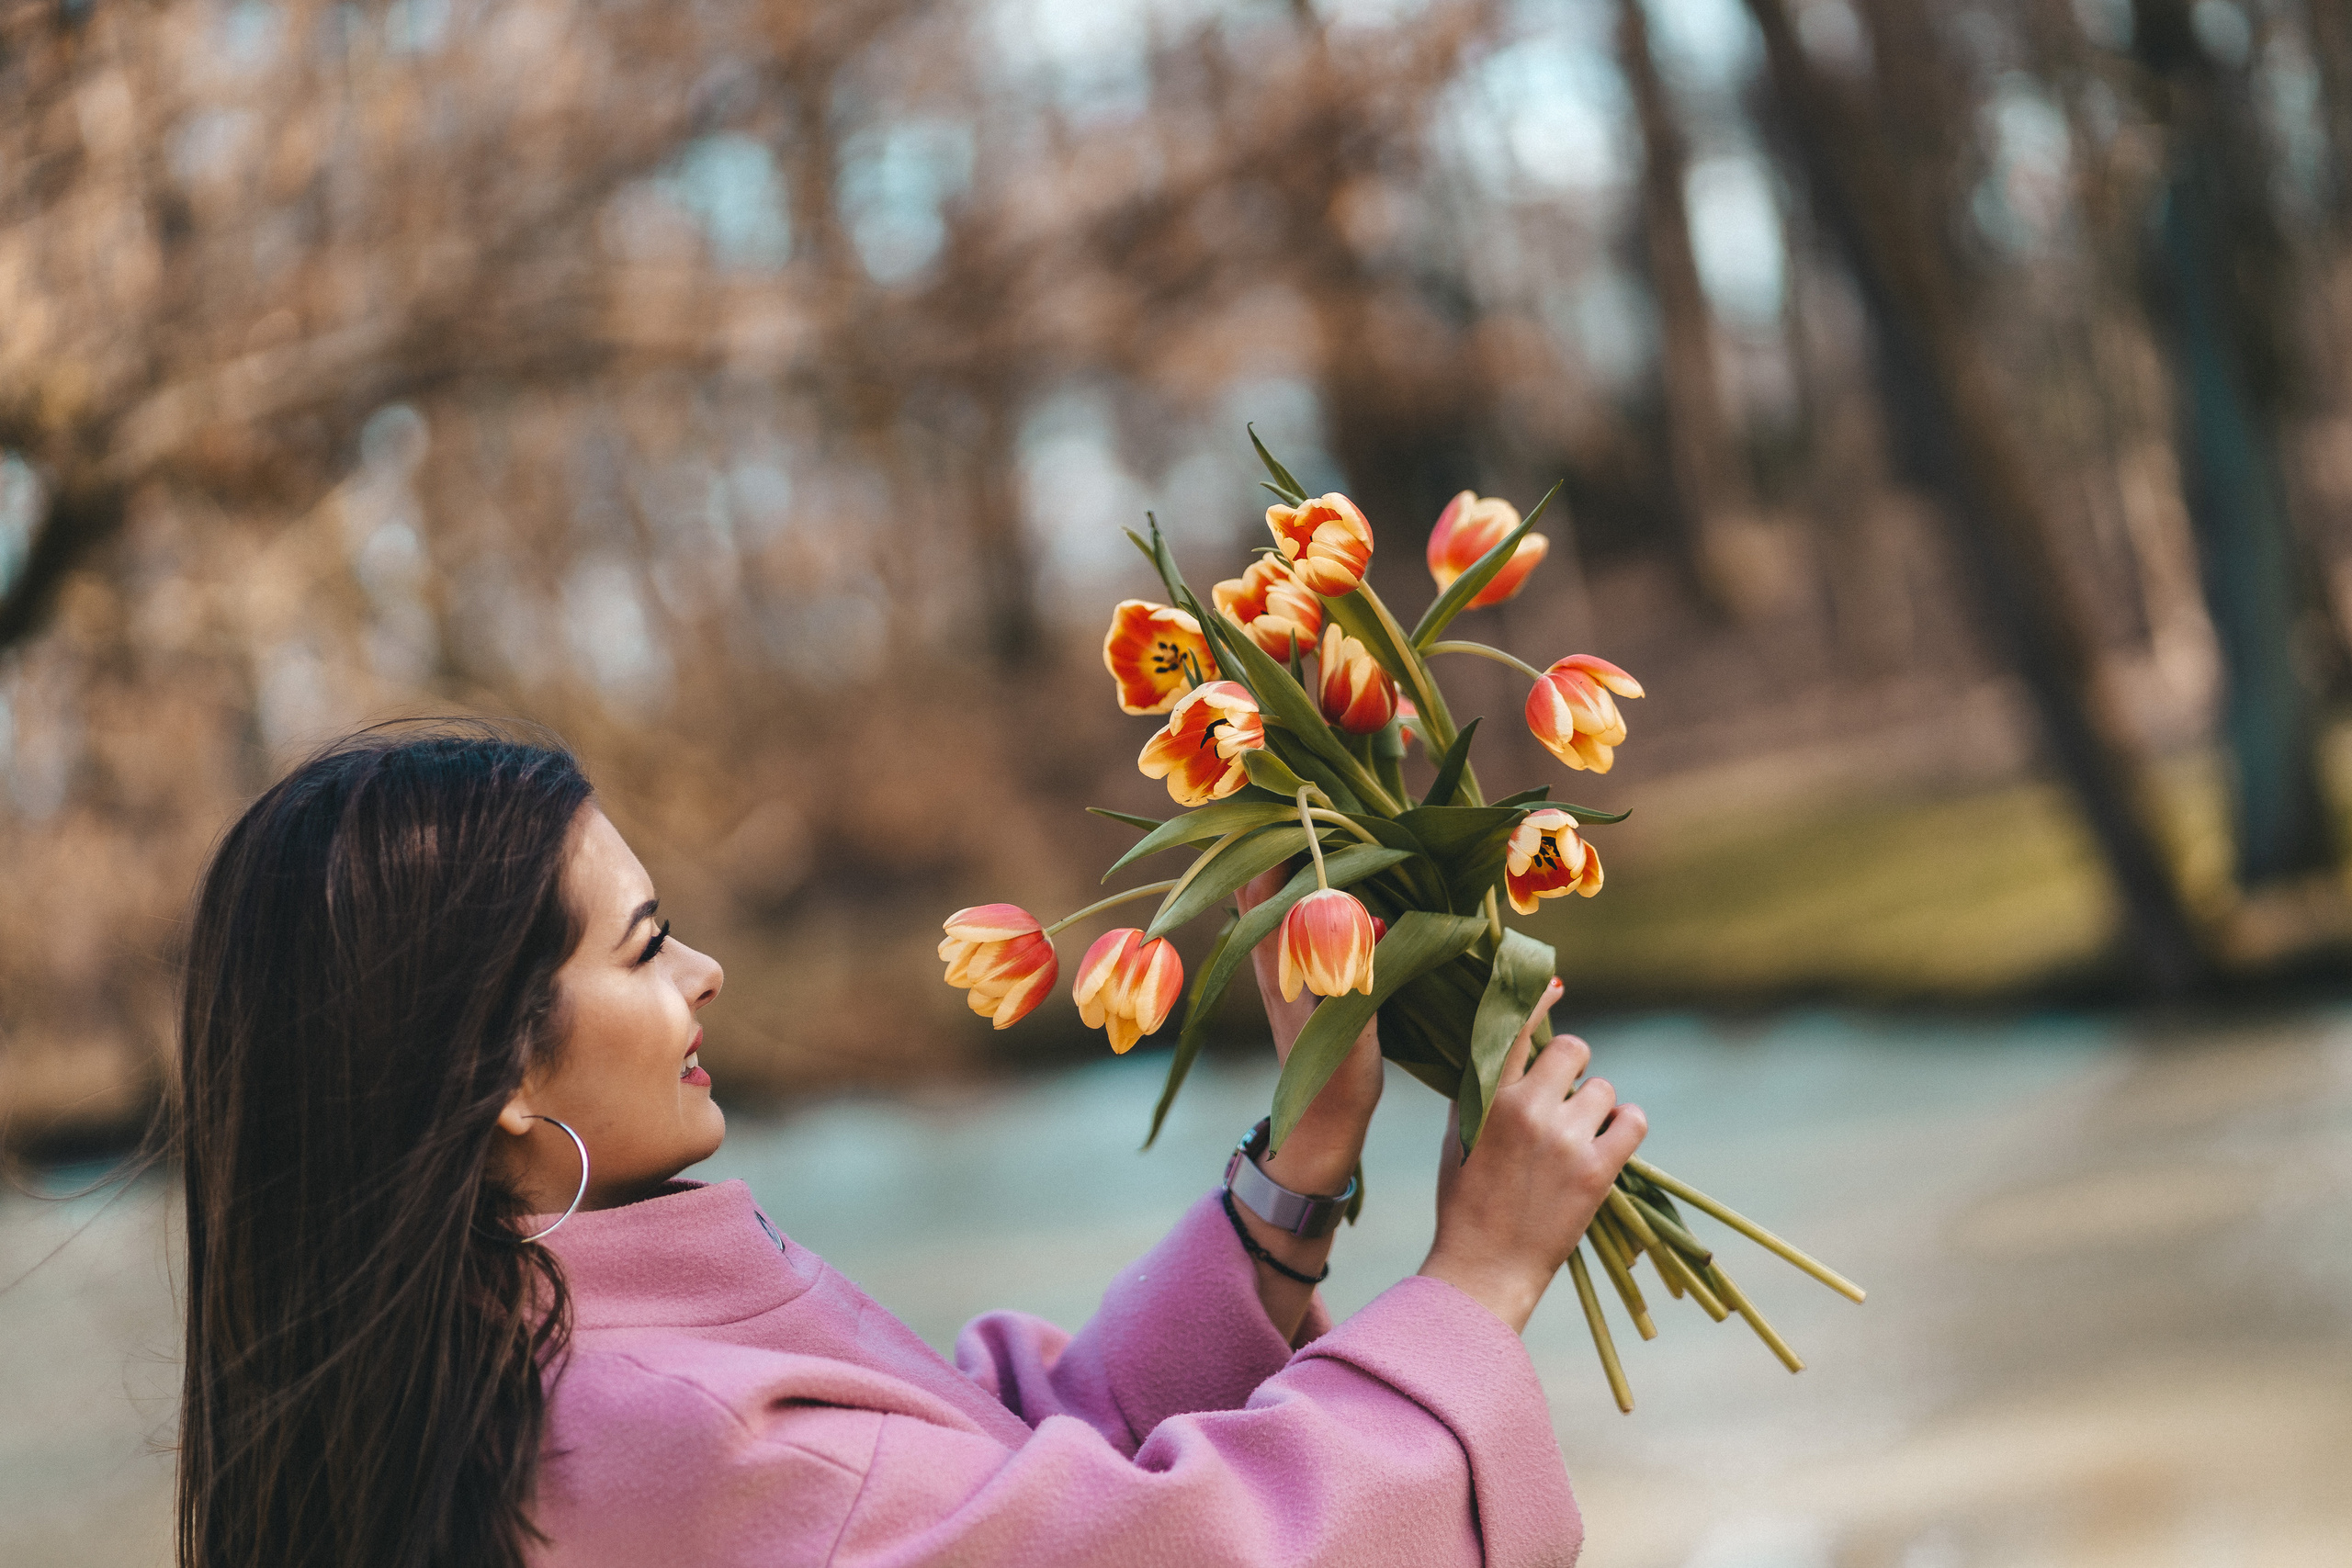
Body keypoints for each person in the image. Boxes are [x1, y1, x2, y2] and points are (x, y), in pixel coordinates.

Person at [175, 725, 1646, 1568]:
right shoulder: (669, 1430)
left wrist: (1296, 1174)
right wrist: (1478, 1281)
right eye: (641, 949)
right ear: (491, 1068)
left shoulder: (502, 1361)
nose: (703, 974)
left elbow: (983, 1477)